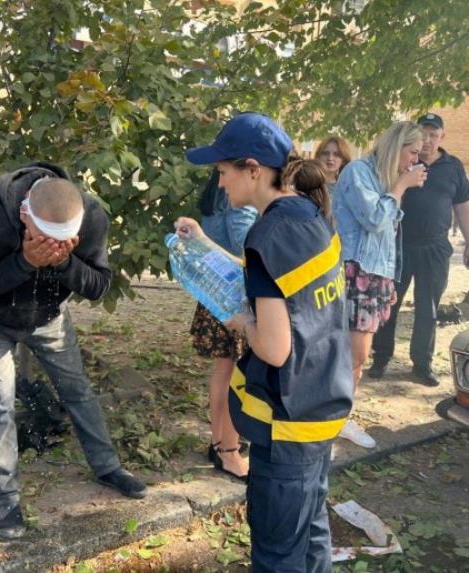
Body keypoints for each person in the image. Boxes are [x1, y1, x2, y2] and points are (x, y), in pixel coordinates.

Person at [176, 112, 353, 572]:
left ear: (252, 169)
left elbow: (273, 347)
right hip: (321, 406)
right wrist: (203, 246)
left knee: (277, 557)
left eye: (223, 172)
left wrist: (238, 322)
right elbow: (278, 290)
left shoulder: (267, 234)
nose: (220, 185)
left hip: (286, 423)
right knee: (311, 534)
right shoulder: (310, 214)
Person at [0, 162, 147, 541]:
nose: (55, 245)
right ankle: (7, 499)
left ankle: (108, 467)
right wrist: (24, 263)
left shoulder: (89, 214)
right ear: (25, 213)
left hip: (49, 317)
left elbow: (97, 286)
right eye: (45, 237)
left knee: (77, 390)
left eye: (64, 241)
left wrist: (64, 263)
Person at [332, 122, 427, 448]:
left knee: (356, 356)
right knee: (352, 355)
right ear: (396, 146)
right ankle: (332, 419)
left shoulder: (382, 178)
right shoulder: (359, 171)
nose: (415, 160)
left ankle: (338, 417)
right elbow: (374, 218)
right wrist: (401, 186)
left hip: (375, 274)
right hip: (355, 272)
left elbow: (387, 231)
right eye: (412, 152)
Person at [369, 113, 469, 386]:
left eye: (433, 135)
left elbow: (462, 206)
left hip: (436, 248)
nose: (427, 141)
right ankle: (381, 358)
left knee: (428, 308)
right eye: (422, 134)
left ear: (442, 137)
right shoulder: (404, 162)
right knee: (390, 303)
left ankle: (422, 365)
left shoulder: (453, 167)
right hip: (400, 245)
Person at [192, 168, 257, 481]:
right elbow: (249, 251)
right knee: (236, 376)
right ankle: (228, 451)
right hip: (234, 299)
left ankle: (220, 442)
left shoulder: (216, 194)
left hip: (216, 293)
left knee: (224, 371)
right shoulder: (239, 202)